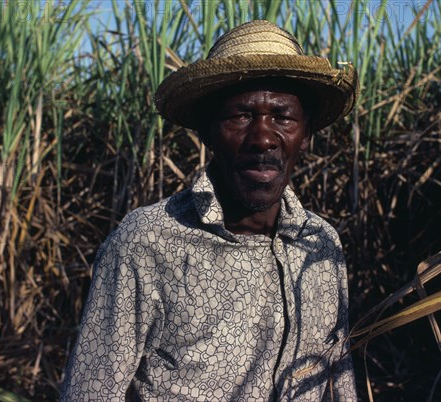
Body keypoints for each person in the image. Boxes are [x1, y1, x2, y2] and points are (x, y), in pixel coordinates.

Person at [61, 20, 358, 401]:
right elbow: (92, 391)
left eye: (282, 116)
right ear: (206, 131)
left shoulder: (320, 244)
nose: (263, 137)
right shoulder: (148, 241)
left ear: (307, 132)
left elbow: (337, 380)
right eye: (240, 116)